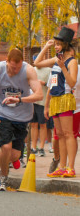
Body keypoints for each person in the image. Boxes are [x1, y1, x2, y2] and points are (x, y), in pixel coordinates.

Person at [0, 48, 43, 191]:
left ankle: (10, 162)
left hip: (23, 116)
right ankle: (3, 178)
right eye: (12, 67)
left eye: (18, 67)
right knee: (5, 147)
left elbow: (39, 95)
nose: (15, 70)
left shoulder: (28, 70)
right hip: (3, 113)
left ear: (22, 63)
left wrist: (19, 99)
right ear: (7, 62)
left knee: (14, 155)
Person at [35, 27, 78, 178]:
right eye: (55, 44)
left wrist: (63, 68)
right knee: (59, 134)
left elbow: (72, 83)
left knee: (68, 134)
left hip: (65, 98)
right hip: (54, 100)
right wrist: (46, 47)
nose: (56, 46)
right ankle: (62, 166)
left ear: (66, 45)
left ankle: (70, 167)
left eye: (59, 44)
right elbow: (37, 63)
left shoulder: (72, 62)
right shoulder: (55, 59)